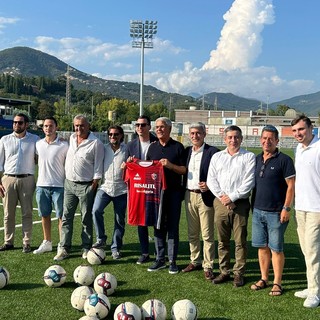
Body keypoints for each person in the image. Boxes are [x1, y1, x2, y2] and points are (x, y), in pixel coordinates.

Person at [207, 125, 255, 287]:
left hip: (239, 204)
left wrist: (232, 197)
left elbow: (249, 182)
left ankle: (239, 273)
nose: (233, 140)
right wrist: (223, 197)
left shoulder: (248, 157)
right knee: (222, 240)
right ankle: (224, 271)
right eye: (230, 137)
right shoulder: (217, 157)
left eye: (236, 137)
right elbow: (211, 180)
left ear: (241, 139)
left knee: (240, 240)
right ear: (225, 139)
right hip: (220, 202)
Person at [250, 125, 295, 296]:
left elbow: (291, 186)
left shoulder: (285, 160)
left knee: (276, 248)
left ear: (277, 140)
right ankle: (263, 278)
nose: (267, 141)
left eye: (271, 138)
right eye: (264, 138)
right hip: (257, 211)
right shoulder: (256, 159)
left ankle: (277, 282)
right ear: (260, 139)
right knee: (262, 247)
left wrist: (286, 208)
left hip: (277, 212)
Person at [54, 115, 104, 261]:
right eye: (76, 125)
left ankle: (86, 247)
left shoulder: (96, 143)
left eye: (82, 125)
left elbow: (98, 167)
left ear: (88, 126)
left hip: (86, 185)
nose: (79, 128)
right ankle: (64, 248)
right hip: (69, 184)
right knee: (66, 217)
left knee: (86, 218)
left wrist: (94, 184)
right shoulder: (71, 138)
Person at [146, 117, 186, 274]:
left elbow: (184, 170)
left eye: (162, 127)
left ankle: (172, 261)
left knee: (172, 227)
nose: (159, 129)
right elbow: (147, 168)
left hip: (174, 193)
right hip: (156, 194)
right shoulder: (152, 147)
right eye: (157, 127)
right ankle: (160, 259)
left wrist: (170, 166)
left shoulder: (178, 147)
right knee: (158, 225)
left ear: (169, 129)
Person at [182, 122, 219, 281]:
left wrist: (209, 185)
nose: (195, 136)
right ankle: (195, 261)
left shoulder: (213, 152)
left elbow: (220, 173)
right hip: (189, 195)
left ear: (204, 134)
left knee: (207, 233)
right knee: (192, 232)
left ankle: (208, 265)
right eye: (192, 133)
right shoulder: (186, 152)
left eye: (198, 133)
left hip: (205, 197)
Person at [291, 115, 320, 308]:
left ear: (311, 128)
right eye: (294, 131)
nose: (298, 134)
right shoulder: (299, 149)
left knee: (312, 251)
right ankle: (312, 288)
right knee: (306, 250)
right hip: (300, 208)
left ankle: (315, 294)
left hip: (316, 209)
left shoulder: (318, 148)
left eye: (301, 129)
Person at [0, 113, 40, 253]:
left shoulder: (35, 139)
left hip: (27, 179)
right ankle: (8, 241)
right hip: (8, 180)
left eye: (20, 122)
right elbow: (0, 162)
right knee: (8, 213)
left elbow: (39, 158)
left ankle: (26, 242)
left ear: (26, 124)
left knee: (27, 212)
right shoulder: (4, 139)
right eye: (15, 122)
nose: (17, 125)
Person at [92, 125, 128, 260]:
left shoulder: (127, 150)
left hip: (122, 190)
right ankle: (101, 239)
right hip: (105, 187)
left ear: (121, 136)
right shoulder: (103, 148)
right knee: (96, 211)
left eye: (116, 134)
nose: (113, 137)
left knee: (119, 220)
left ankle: (116, 247)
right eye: (111, 134)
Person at [33, 117, 69, 254]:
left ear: (56, 127)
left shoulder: (64, 145)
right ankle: (47, 242)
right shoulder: (38, 144)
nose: (48, 128)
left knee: (61, 217)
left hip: (59, 186)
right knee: (45, 215)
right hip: (41, 185)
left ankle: (62, 244)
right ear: (43, 128)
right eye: (45, 126)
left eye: (51, 126)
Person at [127, 115, 158, 264]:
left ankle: (160, 253)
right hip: (139, 188)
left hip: (154, 187)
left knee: (156, 220)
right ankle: (145, 252)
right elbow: (128, 166)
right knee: (141, 221)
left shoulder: (157, 143)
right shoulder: (131, 145)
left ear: (149, 127)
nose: (140, 127)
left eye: (143, 125)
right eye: (137, 125)